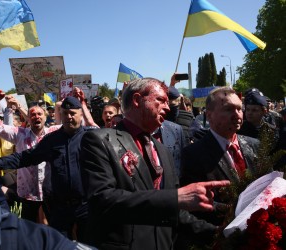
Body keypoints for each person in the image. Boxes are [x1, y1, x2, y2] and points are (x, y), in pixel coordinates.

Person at [79, 77, 230, 250]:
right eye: (161, 100)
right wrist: (175, 197)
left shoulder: (163, 150)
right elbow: (103, 201)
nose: (167, 107)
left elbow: (171, 210)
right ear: (137, 100)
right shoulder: (100, 140)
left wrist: (220, 234)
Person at [0, 96, 98, 242]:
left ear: (81, 114)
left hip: (85, 206)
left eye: (73, 113)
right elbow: (26, 157)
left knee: (87, 243)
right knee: (60, 244)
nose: (69, 117)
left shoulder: (92, 137)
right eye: (65, 113)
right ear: (60, 115)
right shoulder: (51, 140)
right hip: (60, 208)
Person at [179, 87, 259, 247]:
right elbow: (191, 207)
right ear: (209, 115)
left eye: (239, 108)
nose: (237, 114)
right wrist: (219, 234)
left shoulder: (255, 145)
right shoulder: (191, 155)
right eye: (228, 109)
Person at [0, 89, 61, 223]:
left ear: (45, 117)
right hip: (28, 194)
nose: (36, 116)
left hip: (50, 192)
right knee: (30, 228)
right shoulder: (20, 134)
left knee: (54, 226)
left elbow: (76, 125)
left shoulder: (53, 133)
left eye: (39, 114)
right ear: (28, 118)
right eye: (33, 114)